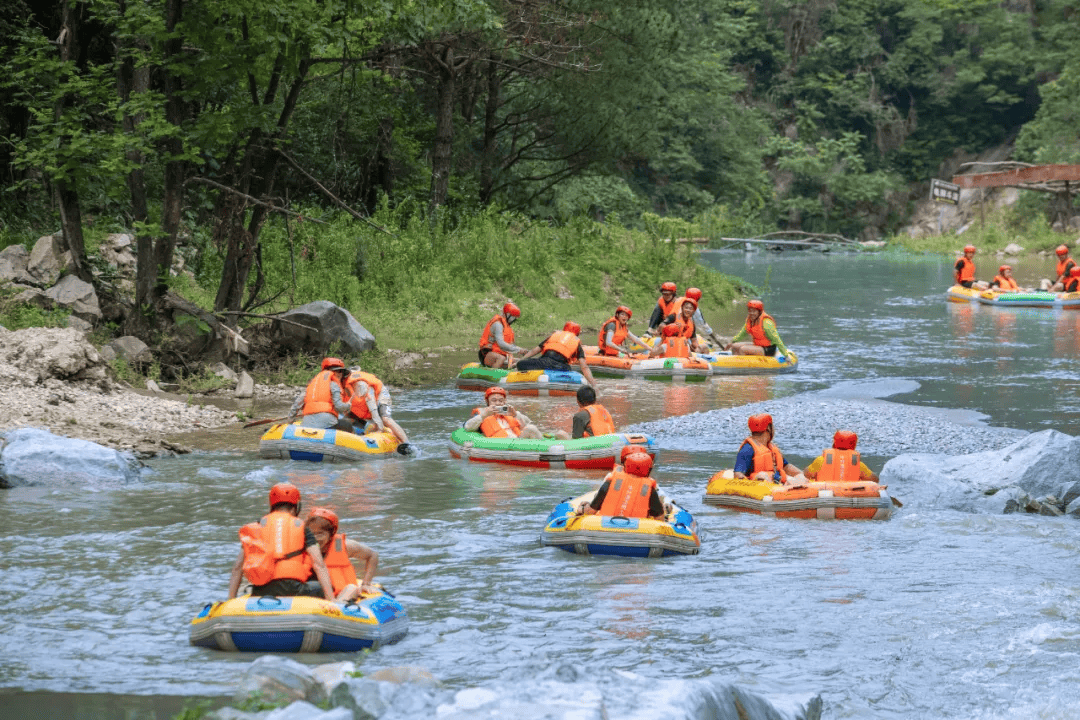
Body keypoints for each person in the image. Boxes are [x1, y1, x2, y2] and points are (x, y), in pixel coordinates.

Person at [227, 482, 335, 601]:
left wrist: (230, 599)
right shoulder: (301, 526)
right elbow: (319, 564)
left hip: (261, 590)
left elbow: (238, 567)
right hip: (294, 589)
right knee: (321, 587)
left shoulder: (256, 527)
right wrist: (332, 600)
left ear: (272, 504)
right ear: (296, 506)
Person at [303, 507, 379, 602]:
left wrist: (366, 584)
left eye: (320, 534)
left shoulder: (344, 546)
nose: (315, 538)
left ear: (331, 534)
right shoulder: (300, 546)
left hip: (341, 595)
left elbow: (372, 555)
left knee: (352, 588)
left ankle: (338, 606)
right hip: (313, 594)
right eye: (311, 534)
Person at [578, 452, 666, 520]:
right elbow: (659, 518)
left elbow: (591, 511)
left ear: (626, 466)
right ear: (648, 470)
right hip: (637, 531)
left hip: (605, 526)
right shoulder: (649, 489)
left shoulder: (610, 482)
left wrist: (581, 509)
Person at [343, 367, 412, 452]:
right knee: (348, 418)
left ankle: (407, 444)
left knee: (385, 419)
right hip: (366, 400)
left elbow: (372, 406)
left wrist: (379, 428)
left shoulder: (360, 384)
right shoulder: (341, 387)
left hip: (380, 394)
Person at [464, 386, 564, 440]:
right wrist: (484, 415)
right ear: (488, 402)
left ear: (504, 401)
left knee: (560, 433)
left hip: (518, 440)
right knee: (531, 429)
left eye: (501, 400)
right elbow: (467, 427)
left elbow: (528, 424)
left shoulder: (511, 412)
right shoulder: (482, 414)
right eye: (494, 400)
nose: (498, 403)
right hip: (502, 443)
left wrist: (515, 415)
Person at [516, 321, 598, 387]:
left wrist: (519, 361)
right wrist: (594, 385)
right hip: (560, 367)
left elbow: (534, 351)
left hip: (543, 362)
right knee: (568, 368)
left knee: (521, 364)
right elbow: (584, 367)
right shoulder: (576, 342)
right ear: (577, 333)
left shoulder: (554, 335)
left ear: (564, 329)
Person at [732, 413, 805, 485]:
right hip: (760, 486)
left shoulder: (771, 448)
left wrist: (801, 474)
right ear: (768, 428)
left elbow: (786, 466)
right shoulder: (748, 449)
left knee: (800, 477)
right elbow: (738, 474)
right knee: (762, 475)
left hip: (777, 483)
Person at [288, 357, 353, 431]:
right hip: (327, 424)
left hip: (307, 424)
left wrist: (290, 423)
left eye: (341, 371)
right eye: (339, 371)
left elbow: (296, 406)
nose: (340, 374)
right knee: (348, 424)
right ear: (331, 372)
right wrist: (348, 405)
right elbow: (339, 407)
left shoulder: (311, 386)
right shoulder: (334, 385)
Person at [803, 430, 879, 483]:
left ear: (835, 442)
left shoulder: (821, 460)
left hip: (824, 495)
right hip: (849, 497)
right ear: (854, 444)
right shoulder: (857, 464)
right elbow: (874, 479)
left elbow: (807, 474)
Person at [723, 300, 792, 358]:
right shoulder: (750, 320)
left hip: (768, 349)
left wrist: (786, 355)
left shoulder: (766, 322)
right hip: (758, 345)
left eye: (754, 311)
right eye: (750, 311)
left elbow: (776, 339)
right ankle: (734, 364)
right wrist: (732, 342)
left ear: (759, 312)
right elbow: (742, 334)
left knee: (743, 349)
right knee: (734, 346)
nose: (751, 313)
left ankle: (744, 369)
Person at [479, 302, 524, 368]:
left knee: (520, 361)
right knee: (501, 358)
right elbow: (501, 344)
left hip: (500, 354)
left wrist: (523, 351)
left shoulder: (506, 326)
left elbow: (509, 345)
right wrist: (518, 349)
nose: (513, 320)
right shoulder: (498, 324)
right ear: (507, 314)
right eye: (513, 318)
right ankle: (492, 375)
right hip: (486, 354)